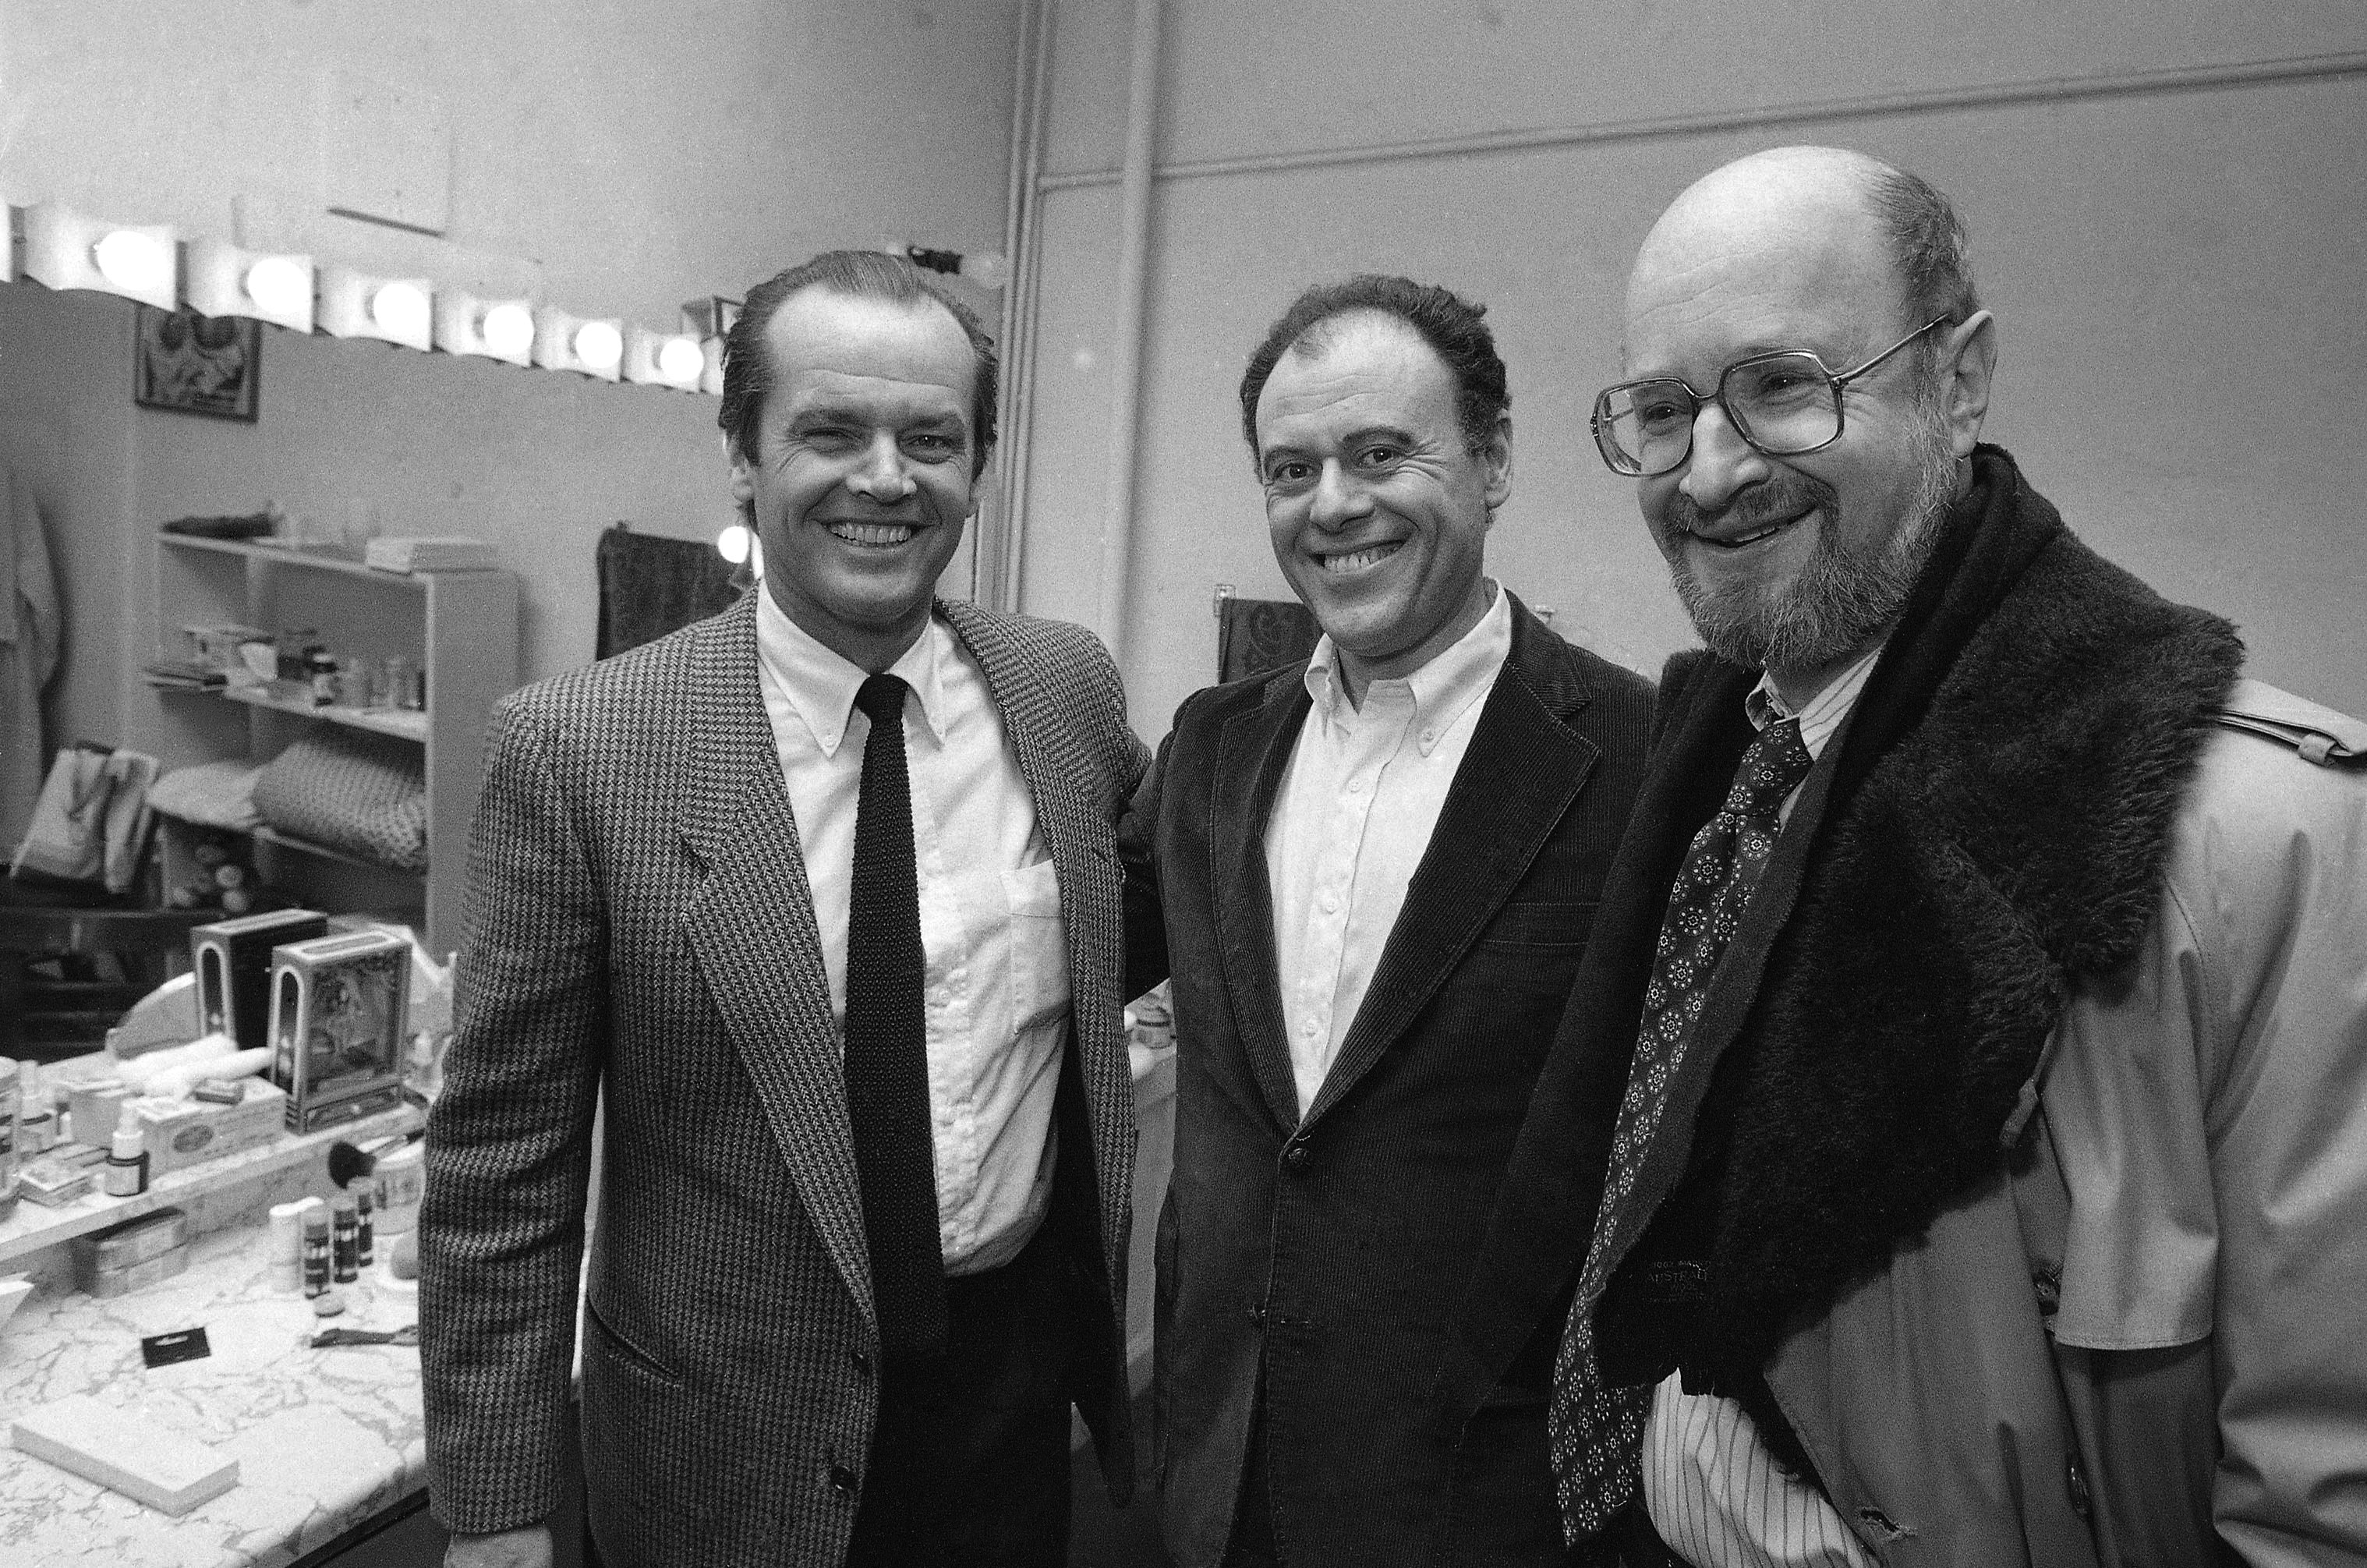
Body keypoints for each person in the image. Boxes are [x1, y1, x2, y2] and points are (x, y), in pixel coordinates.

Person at [1463, 146, 2367, 1564]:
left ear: (1958, 378)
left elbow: (2326, 1499)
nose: (1709, 471)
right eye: (1661, 409)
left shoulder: (2257, 837)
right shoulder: (1716, 771)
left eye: (1781, 386)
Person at [420, 250, 1148, 1568]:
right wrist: (498, 1506)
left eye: (931, 437)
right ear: (742, 457)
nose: (885, 477)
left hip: (1011, 1417)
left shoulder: (1065, 693)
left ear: (977, 467)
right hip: (715, 1448)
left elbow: (1155, 924)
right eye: (830, 431)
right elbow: (500, 1173)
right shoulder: (580, 749)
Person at [1121, 275, 1654, 1566]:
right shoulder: (1207, 750)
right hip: (1213, 1480)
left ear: (1493, 461)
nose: (1335, 505)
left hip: (1487, 1501)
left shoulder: (1645, 762)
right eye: (1290, 468)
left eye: (1380, 453)